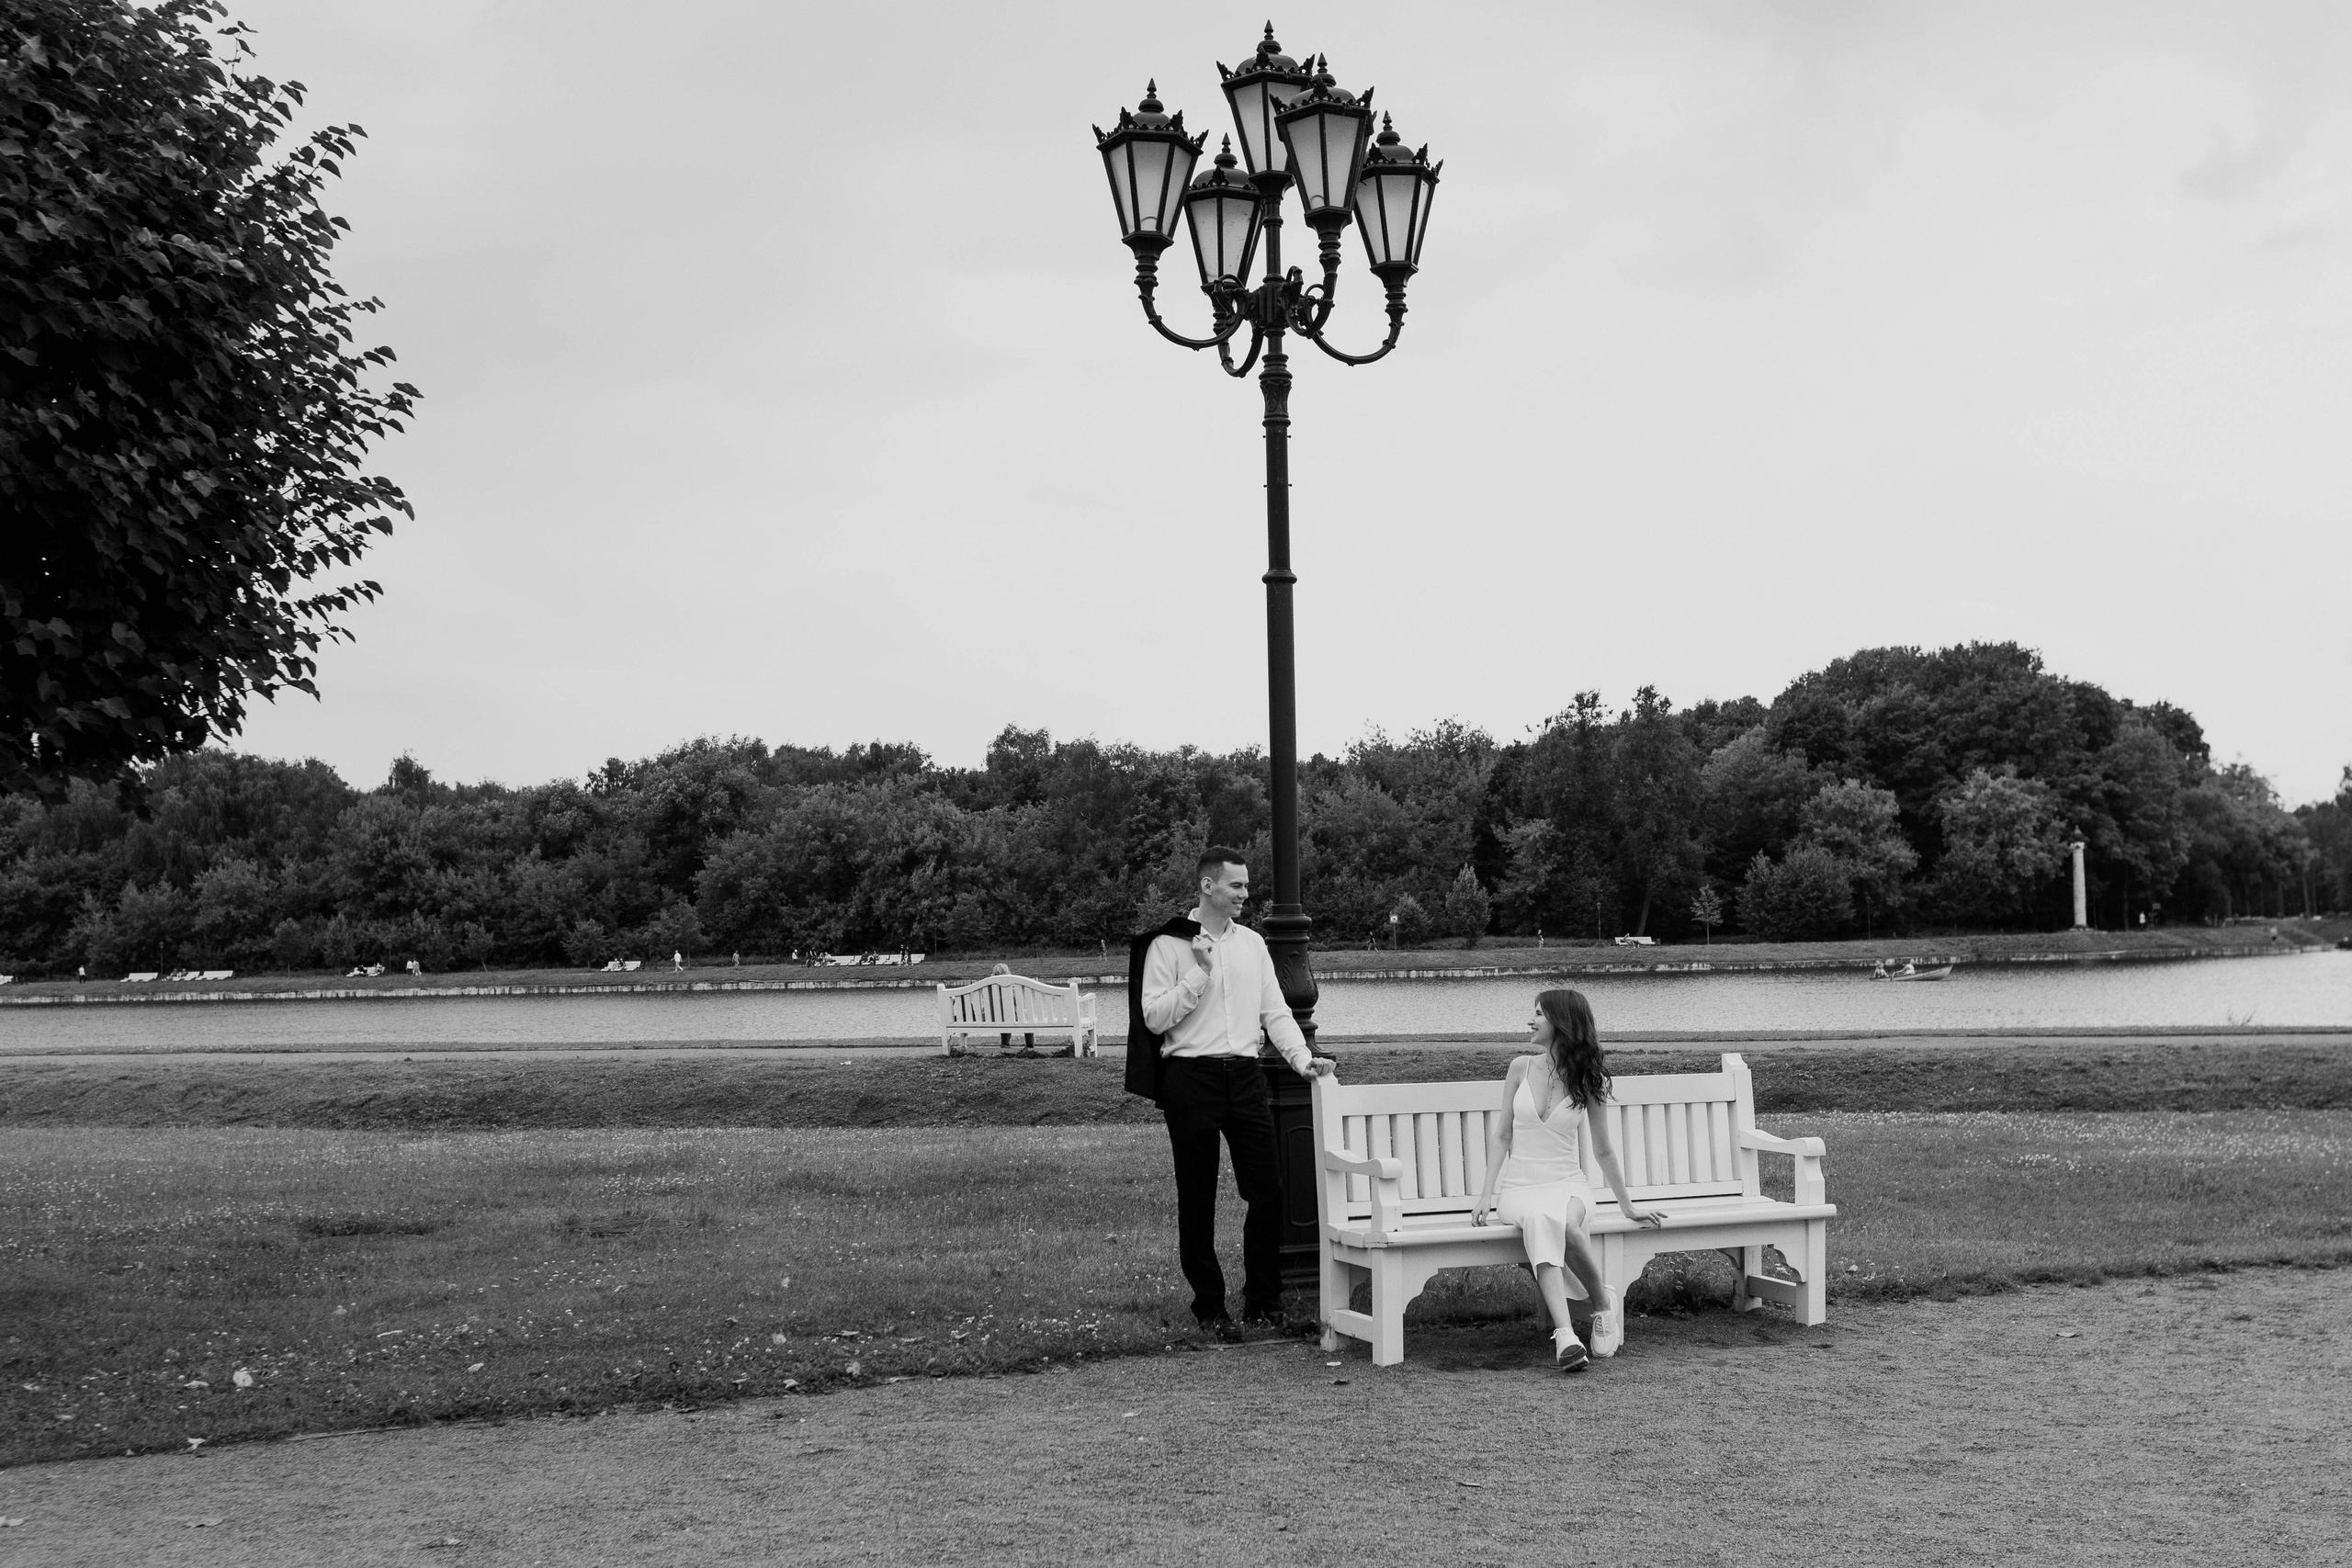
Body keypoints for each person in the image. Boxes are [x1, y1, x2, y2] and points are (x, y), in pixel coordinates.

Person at [1127, 846, 1333, 1337]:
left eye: (1245, 885)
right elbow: (1153, 1017)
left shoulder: (1253, 944)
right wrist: (1199, 971)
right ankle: (1210, 1309)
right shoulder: (1168, 945)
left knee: (1267, 1193)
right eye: (1236, 885)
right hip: (1189, 1079)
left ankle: (1263, 1303)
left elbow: (1275, 1011)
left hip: (1244, 1077)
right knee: (1196, 1198)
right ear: (1208, 887)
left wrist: (1302, 1060)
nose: (1245, 893)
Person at [1471, 987, 1665, 1372]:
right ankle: (1570, 1330)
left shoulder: (1586, 1078)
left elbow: (1603, 1149)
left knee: (1566, 1227)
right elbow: (1503, 1135)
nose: (1531, 1020)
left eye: (1539, 1014)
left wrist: (1628, 1207)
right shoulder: (1519, 1068)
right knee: (1544, 1219)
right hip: (1521, 1189)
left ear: (1560, 1023)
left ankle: (1593, 1313)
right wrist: (1486, 1195)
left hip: (1568, 1183)